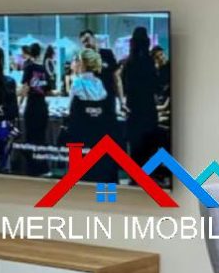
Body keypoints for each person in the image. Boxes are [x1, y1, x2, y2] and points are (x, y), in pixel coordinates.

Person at [66, 49, 118, 183]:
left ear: (82, 63)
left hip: (80, 130)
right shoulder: (99, 83)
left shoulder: (77, 83)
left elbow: (70, 107)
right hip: (98, 130)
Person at [120, 27, 159, 166]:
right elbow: (156, 86)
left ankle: (135, 175)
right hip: (148, 110)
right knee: (149, 151)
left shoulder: (128, 64)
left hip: (133, 110)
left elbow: (125, 87)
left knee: (135, 152)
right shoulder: (150, 63)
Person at [19, 42, 53, 175]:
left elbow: (25, 88)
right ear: (40, 53)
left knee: (30, 137)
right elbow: (48, 90)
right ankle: (43, 168)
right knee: (41, 138)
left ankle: (31, 168)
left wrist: (19, 104)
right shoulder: (44, 69)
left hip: (32, 106)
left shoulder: (28, 67)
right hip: (42, 106)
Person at [79, 29, 124, 107]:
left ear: (93, 38)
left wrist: (121, 102)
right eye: (83, 42)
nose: (86, 43)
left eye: (87, 39)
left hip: (108, 97)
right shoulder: (84, 59)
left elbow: (116, 78)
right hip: (92, 99)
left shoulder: (107, 54)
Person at [152, 45, 171, 131]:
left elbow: (165, 106)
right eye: (157, 57)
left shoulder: (170, 66)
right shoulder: (157, 71)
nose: (161, 58)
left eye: (161, 54)